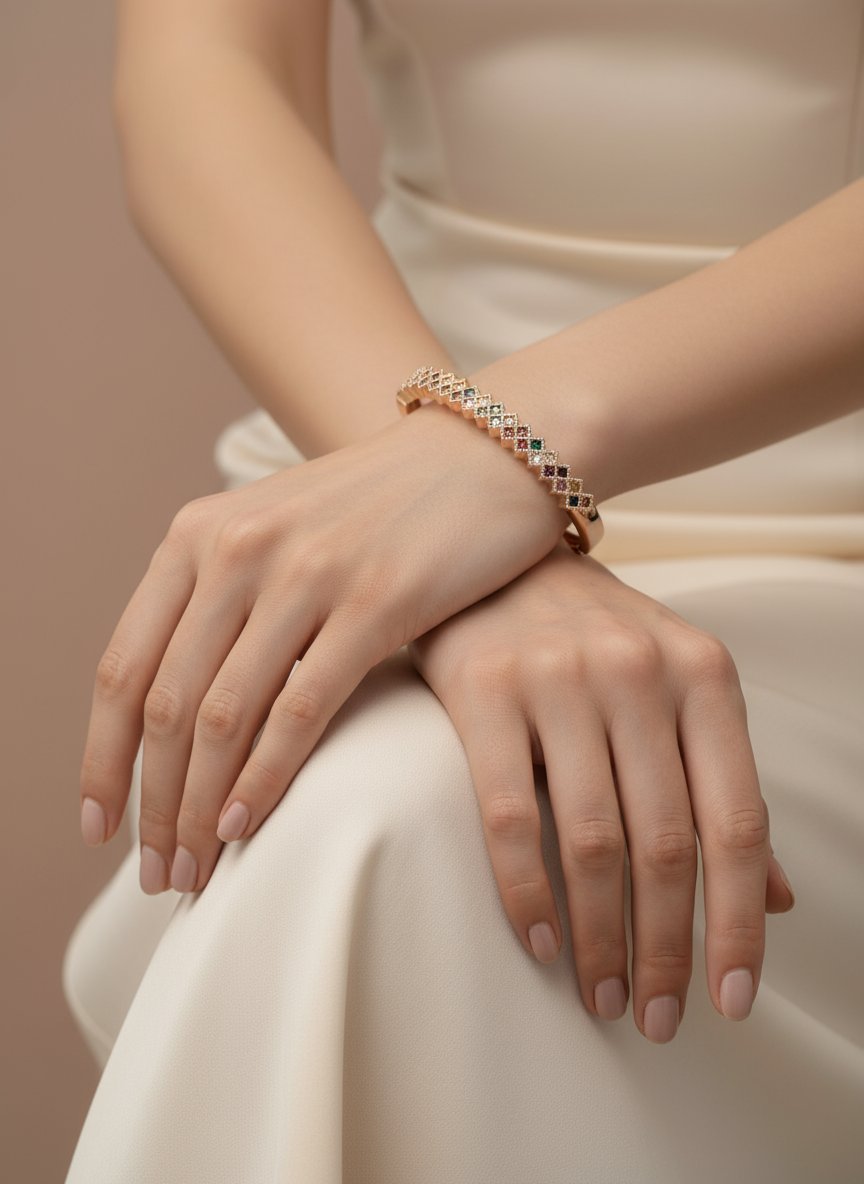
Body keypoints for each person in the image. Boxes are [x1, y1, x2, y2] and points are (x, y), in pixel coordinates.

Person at [64, 0, 864, 1179]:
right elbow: (208, 70)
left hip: (812, 539)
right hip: (375, 464)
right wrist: (449, 531)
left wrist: (506, 462)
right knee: (379, 819)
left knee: (384, 833)